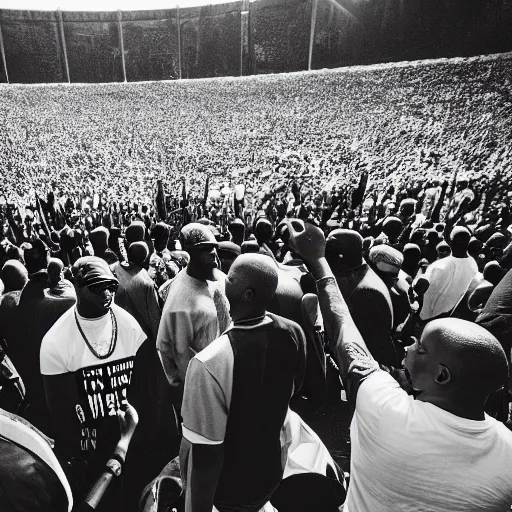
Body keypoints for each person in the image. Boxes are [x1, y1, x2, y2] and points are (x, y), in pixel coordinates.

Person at [286, 219, 512, 511]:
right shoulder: (506, 451)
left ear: (442, 375)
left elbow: (346, 339)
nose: (407, 347)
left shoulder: (387, 412)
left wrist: (317, 261)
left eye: (420, 348)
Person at [180, 254, 342, 512]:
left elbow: (206, 457)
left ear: (247, 294)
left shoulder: (208, 364)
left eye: (231, 278)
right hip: (271, 474)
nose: (223, 280)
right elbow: (295, 391)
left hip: (229, 491)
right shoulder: (293, 332)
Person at [40, 257, 147, 511]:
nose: (106, 294)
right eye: (96, 287)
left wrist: (133, 440)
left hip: (130, 442)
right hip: (88, 457)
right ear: (76, 287)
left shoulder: (130, 326)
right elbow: (63, 417)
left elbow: (142, 390)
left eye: (110, 286)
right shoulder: (55, 342)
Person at [156, 223, 230, 402]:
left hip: (222, 376)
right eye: (206, 251)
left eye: (214, 250)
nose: (214, 257)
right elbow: (179, 358)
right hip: (201, 389)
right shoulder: (180, 306)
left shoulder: (217, 279)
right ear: (191, 256)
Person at [325, 229, 396, 366]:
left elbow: (364, 348)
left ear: (341, 257)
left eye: (330, 253)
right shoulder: (361, 273)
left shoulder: (364, 293)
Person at [418, 226, 479, 321]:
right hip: (458, 319)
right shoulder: (473, 265)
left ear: (450, 242)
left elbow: (422, 287)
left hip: (433, 319)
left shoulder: (438, 265)